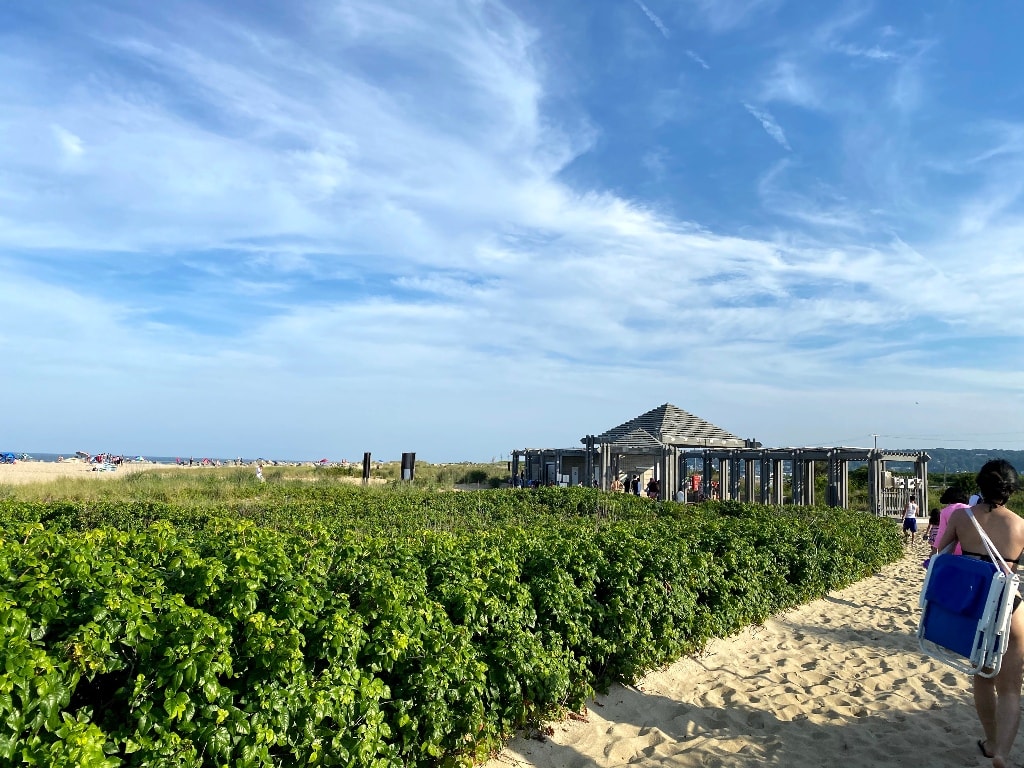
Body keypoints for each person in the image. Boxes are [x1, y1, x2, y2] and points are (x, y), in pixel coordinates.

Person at [935, 459, 1024, 767]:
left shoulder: (962, 516)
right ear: (1010, 490)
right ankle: (1002, 753)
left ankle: (990, 741)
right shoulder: (1019, 523)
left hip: (977, 606)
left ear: (980, 485)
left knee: (983, 678)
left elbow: (940, 554)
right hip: (1008, 606)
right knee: (1011, 688)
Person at [935, 486, 968, 556]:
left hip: (952, 549)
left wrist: (935, 549)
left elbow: (941, 533)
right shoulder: (971, 509)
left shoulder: (945, 511)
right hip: (970, 548)